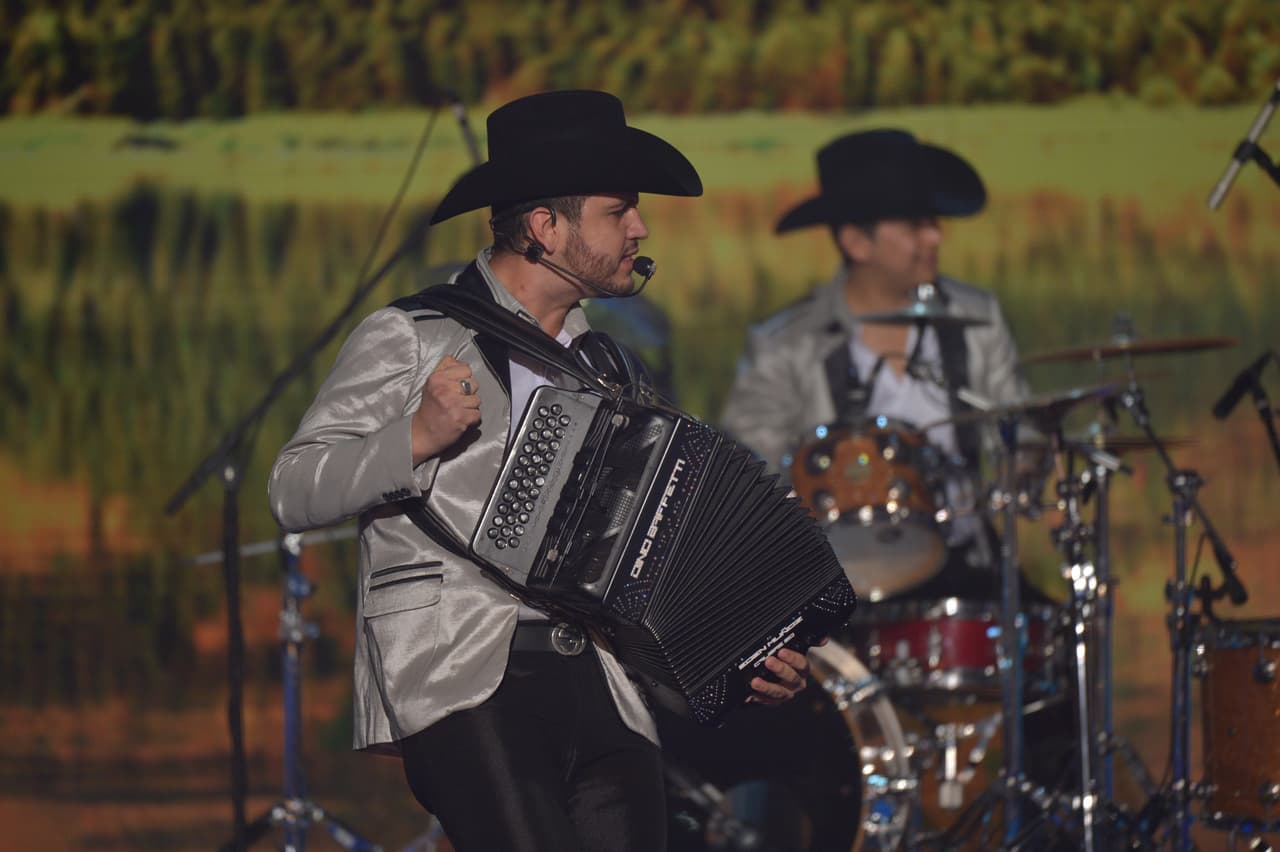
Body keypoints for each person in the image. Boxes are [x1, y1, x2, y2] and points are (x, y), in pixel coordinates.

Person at [268, 90, 811, 852]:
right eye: (618, 210)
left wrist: (747, 657)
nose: (640, 228)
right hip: (464, 677)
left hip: (604, 684)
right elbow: (292, 488)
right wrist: (416, 438)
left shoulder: (612, 367)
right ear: (545, 227)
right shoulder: (412, 336)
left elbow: (662, 552)